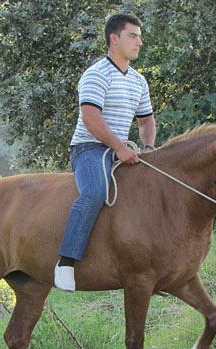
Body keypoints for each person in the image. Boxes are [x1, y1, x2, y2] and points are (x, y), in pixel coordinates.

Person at [55, 13, 156, 292]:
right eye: (133, 36)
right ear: (115, 38)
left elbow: (146, 120)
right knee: (94, 193)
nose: (140, 42)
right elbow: (91, 119)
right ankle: (66, 262)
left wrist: (147, 147)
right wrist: (120, 147)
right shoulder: (96, 74)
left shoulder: (138, 81)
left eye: (139, 36)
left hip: (118, 150)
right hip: (89, 148)